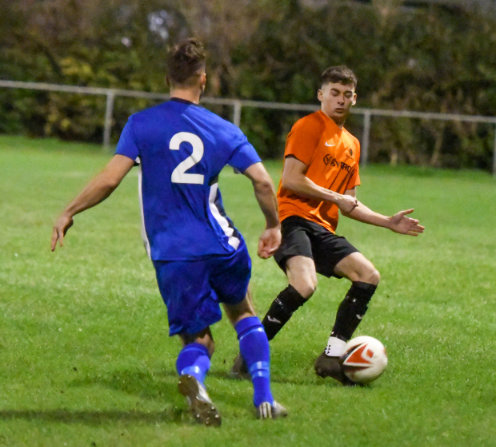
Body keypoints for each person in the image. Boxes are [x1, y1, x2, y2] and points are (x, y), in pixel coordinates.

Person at [50, 38, 287, 425]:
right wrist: (273, 225)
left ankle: (194, 378)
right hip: (221, 243)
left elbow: (110, 179)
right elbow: (262, 181)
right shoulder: (223, 129)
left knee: (199, 339)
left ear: (167, 79)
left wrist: (69, 211)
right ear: (203, 79)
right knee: (243, 311)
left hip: (173, 252)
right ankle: (265, 399)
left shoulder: (141, 124)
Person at [232, 65, 425, 385]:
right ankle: (250, 354)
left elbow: (349, 203)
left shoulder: (352, 144)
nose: (341, 99)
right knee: (305, 285)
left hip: (322, 228)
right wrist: (335, 197)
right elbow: (292, 180)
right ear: (321, 94)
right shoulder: (308, 126)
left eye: (347, 94)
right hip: (292, 220)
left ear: (354, 99)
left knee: (368, 275)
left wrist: (388, 222)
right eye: (334, 93)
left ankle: (332, 356)